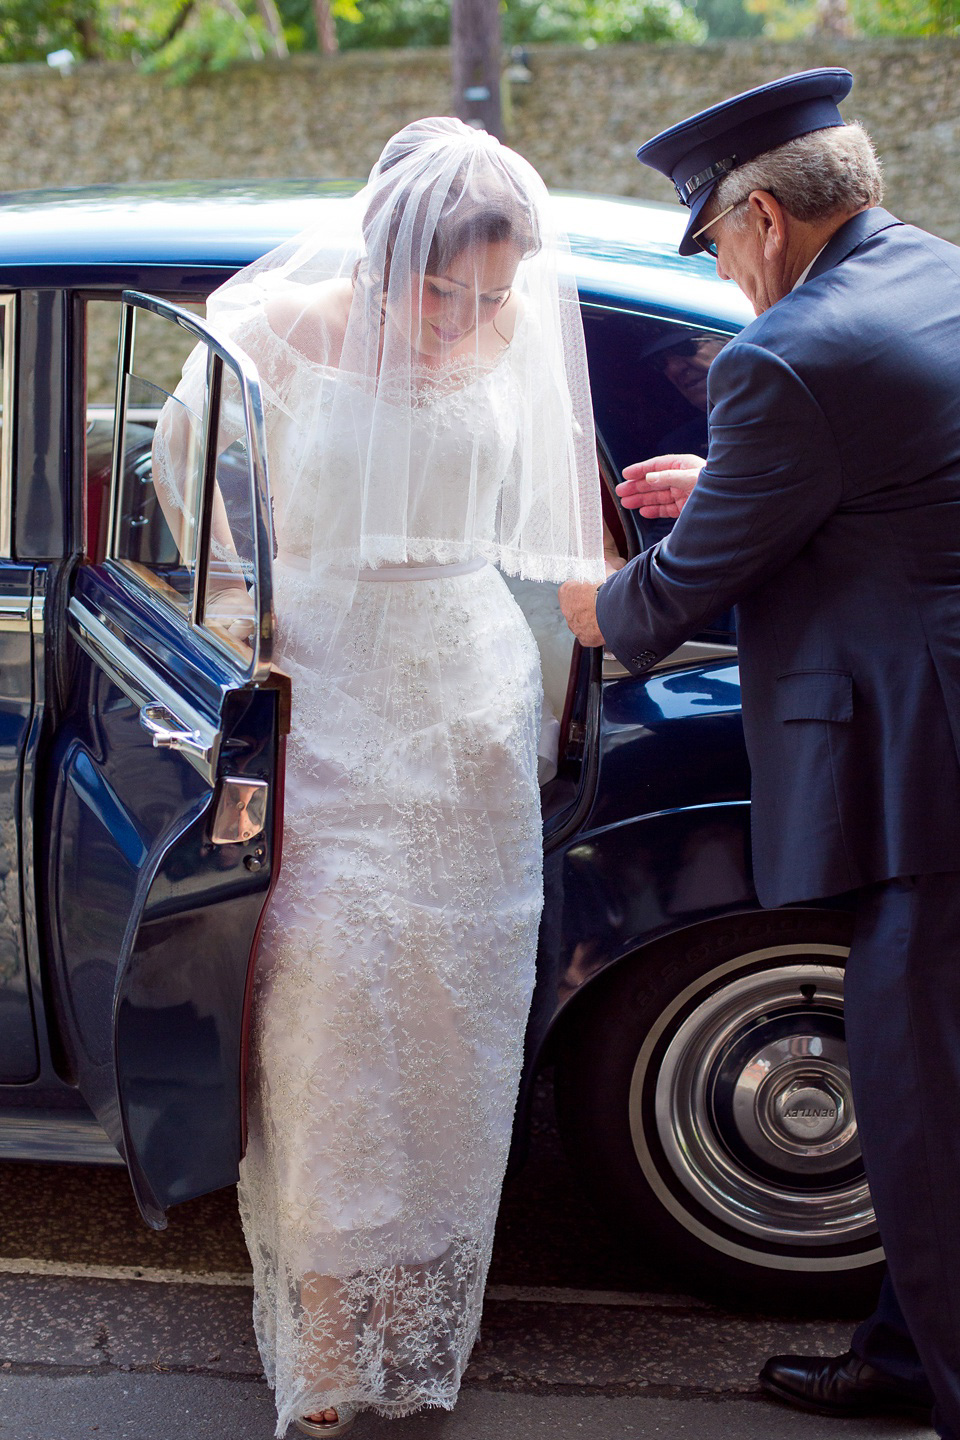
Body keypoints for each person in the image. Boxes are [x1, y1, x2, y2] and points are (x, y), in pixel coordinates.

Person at [155, 118, 604, 1436]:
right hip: (324, 697)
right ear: (385, 253)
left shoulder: (518, 340)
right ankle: (340, 1343)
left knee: (451, 1027)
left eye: (493, 293)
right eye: (443, 291)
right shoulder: (280, 330)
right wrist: (242, 615)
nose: (469, 316)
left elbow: (563, 535)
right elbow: (191, 478)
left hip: (468, 707)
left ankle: (422, 1304)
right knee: (332, 1013)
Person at [558, 67, 960, 1440]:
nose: (727, 276)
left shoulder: (788, 357)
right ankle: (906, 1356)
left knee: (923, 1113)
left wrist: (579, 599)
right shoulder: (931, 274)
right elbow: (890, 476)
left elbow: (662, 605)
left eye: (721, 244)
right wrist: (724, 486)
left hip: (928, 778)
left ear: (770, 220)